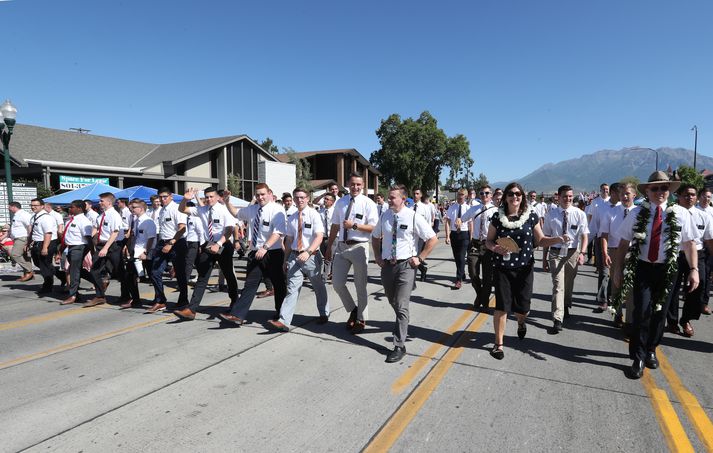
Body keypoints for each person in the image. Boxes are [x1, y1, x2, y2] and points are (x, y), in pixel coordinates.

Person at [612, 171, 699, 379]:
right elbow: (624, 242)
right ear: (647, 191)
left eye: (664, 188)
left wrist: (694, 269)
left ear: (669, 191)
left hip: (668, 269)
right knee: (642, 311)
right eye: (655, 188)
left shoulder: (680, 213)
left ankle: (651, 349)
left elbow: (689, 243)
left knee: (660, 314)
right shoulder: (636, 213)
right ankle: (638, 357)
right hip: (643, 267)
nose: (660, 192)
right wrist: (617, 269)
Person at [485, 183, 561, 359]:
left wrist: (556, 240)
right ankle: (498, 344)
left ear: (522, 196)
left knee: (523, 308)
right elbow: (488, 241)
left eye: (518, 194)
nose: (514, 197)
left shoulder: (531, 216)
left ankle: (521, 321)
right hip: (502, 268)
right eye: (511, 194)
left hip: (525, 268)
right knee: (502, 307)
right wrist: (495, 248)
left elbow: (540, 240)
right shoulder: (497, 217)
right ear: (505, 197)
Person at [373, 185, 438, 362]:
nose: (389, 200)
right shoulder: (385, 216)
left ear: (403, 199)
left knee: (401, 305)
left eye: (392, 197)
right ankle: (403, 321)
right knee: (392, 300)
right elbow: (375, 236)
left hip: (406, 266)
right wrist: (378, 256)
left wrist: (420, 258)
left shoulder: (413, 216)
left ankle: (399, 345)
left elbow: (432, 239)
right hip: (387, 266)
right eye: (389, 197)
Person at [220, 183, 287, 325]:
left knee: (278, 285)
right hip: (256, 252)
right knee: (250, 284)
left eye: (263, 194)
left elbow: (278, 232)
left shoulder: (277, 209)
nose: (260, 197)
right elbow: (236, 213)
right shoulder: (252, 209)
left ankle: (281, 314)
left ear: (269, 193)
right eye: (257, 195)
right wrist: (227, 202)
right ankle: (238, 315)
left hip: (272, 253)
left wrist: (265, 247)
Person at [268, 187, 329, 331]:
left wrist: (308, 252)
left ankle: (324, 313)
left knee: (318, 287)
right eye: (296, 197)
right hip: (294, 256)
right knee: (292, 289)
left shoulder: (314, 214)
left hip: (311, 257)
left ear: (307, 198)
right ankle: (284, 321)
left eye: (302, 197)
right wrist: (285, 259)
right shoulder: (292, 217)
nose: (299, 200)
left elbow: (319, 236)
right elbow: (289, 240)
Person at [173, 187, 238, 320]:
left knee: (228, 274)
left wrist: (218, 244)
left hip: (223, 245)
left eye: (211, 197)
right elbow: (182, 210)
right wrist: (185, 199)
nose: (209, 199)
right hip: (209, 245)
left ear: (217, 197)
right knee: (202, 276)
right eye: (207, 197)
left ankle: (235, 302)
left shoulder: (224, 209)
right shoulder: (202, 210)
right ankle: (191, 309)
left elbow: (230, 230)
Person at [324, 172, 378, 333]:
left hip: (359, 247)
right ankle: (353, 310)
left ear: (363, 185)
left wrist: (354, 226)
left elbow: (374, 228)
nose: (355, 187)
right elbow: (335, 225)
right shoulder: (341, 202)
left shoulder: (368, 203)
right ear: (348, 184)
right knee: (337, 284)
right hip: (341, 246)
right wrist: (328, 248)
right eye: (353, 184)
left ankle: (361, 319)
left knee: (360, 285)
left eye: (359, 184)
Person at [665, 183, 712, 337]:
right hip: (676, 254)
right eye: (686, 194)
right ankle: (672, 321)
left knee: (699, 286)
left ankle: (686, 319)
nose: (689, 197)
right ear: (678, 196)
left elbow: (709, 240)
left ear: (697, 197)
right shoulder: (670, 213)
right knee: (672, 289)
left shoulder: (704, 216)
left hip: (696, 255)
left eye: (692, 194)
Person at [542, 185, 589, 333]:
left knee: (568, 284)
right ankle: (557, 318)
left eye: (570, 196)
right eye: (565, 196)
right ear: (558, 197)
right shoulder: (551, 215)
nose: (568, 199)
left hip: (572, 253)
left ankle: (566, 304)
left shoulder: (579, 214)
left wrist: (582, 253)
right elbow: (546, 238)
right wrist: (544, 258)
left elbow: (584, 236)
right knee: (558, 285)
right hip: (555, 253)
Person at [599, 182, 636, 330]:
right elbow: (604, 235)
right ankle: (617, 313)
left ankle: (630, 321)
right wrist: (605, 253)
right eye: (622, 194)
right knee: (616, 284)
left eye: (628, 193)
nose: (625, 196)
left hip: (634, 253)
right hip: (615, 251)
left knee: (631, 287)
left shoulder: (640, 213)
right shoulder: (611, 212)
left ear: (634, 195)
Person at [147, 188, 188, 313]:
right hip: (163, 242)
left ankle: (183, 301)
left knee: (180, 274)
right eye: (160, 197)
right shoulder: (162, 210)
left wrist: (171, 243)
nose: (162, 199)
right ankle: (160, 301)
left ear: (171, 196)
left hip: (176, 243)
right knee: (154, 271)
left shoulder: (177, 208)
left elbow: (182, 229)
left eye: (165, 196)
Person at [84, 192, 126, 307]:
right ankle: (100, 296)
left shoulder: (114, 215)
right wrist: (90, 239)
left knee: (119, 271)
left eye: (102, 201)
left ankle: (126, 296)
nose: (99, 203)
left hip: (113, 246)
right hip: (101, 245)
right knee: (94, 270)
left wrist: (106, 248)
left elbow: (115, 232)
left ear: (109, 202)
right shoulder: (101, 215)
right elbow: (96, 229)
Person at [462, 185, 497, 309]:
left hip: (489, 245)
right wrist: (458, 221)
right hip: (475, 244)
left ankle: (485, 301)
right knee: (473, 273)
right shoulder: (474, 209)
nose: (484, 195)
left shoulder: (496, 211)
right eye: (481, 193)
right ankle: (480, 294)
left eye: (487, 193)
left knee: (488, 276)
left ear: (491, 195)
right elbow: (462, 219)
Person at [58, 200, 94, 305]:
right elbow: (66, 237)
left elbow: (88, 238)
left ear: (79, 208)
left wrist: (92, 252)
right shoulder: (71, 220)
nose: (70, 208)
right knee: (76, 270)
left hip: (79, 247)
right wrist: (60, 251)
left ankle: (73, 295)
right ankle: (99, 282)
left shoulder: (84, 220)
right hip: (70, 248)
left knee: (73, 272)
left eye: (72, 207)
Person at [594, 183, 620, 312]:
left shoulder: (623, 207)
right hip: (603, 242)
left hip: (620, 245)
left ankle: (613, 298)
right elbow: (595, 225)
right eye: (620, 192)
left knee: (616, 273)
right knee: (604, 272)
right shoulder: (601, 207)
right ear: (613, 193)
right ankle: (603, 300)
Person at [28, 198, 58, 295]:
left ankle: (48, 286)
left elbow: (48, 233)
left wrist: (45, 247)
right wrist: (28, 243)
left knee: (44, 265)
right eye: (32, 205)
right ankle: (61, 275)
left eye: (35, 205)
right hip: (37, 242)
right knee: (39, 263)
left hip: (46, 242)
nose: (33, 207)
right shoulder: (34, 216)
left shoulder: (46, 218)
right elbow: (33, 232)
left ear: (42, 206)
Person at [444, 188, 471, 289]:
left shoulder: (468, 208)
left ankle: (458, 279)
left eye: (462, 195)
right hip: (454, 234)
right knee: (456, 257)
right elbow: (447, 222)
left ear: (466, 196)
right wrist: (447, 236)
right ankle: (462, 272)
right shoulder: (452, 207)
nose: (460, 196)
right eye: (459, 195)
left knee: (461, 256)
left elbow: (470, 223)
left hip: (464, 234)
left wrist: (471, 237)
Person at [695, 187, 713, 316]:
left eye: (709, 197)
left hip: (710, 246)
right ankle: (695, 299)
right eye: (704, 196)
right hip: (698, 247)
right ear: (699, 197)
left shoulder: (712, 211)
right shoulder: (695, 211)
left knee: (707, 276)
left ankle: (704, 303)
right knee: (701, 276)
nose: (706, 199)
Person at [7, 201, 34, 282]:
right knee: (25, 256)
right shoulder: (17, 215)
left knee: (15, 254)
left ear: (14, 207)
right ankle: (28, 274)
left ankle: (29, 270)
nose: (8, 208)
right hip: (18, 238)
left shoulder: (23, 214)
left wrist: (29, 239)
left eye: (9, 207)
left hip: (22, 238)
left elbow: (29, 226)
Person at [412, 187, 433, 282]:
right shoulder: (409, 207)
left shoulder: (425, 208)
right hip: (411, 236)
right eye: (414, 194)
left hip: (420, 236)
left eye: (417, 194)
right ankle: (422, 269)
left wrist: (427, 238)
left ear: (420, 195)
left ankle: (412, 279)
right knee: (410, 256)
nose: (415, 196)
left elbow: (428, 223)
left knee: (416, 256)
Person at [320, 193, 337, 280]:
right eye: (325, 199)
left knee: (330, 256)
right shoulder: (321, 211)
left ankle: (325, 276)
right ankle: (330, 273)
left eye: (327, 199)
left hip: (333, 238)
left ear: (332, 202)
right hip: (323, 237)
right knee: (325, 255)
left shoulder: (335, 212)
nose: (325, 200)